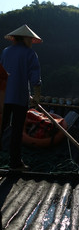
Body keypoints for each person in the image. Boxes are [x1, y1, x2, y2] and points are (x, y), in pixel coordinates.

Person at [0, 24, 42, 170]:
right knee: (17, 130)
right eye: (29, 39)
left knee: (1, 127)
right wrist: (36, 97)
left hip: (3, 97)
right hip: (19, 98)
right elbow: (35, 78)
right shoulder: (30, 54)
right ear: (24, 38)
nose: (31, 42)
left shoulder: (6, 51)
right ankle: (15, 163)